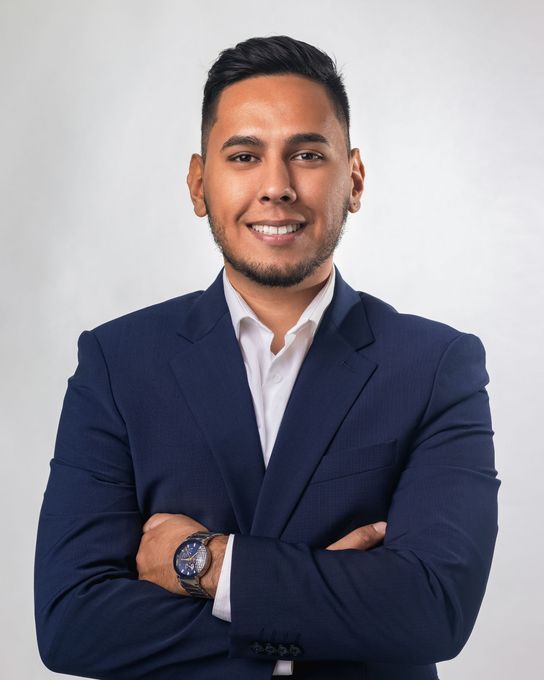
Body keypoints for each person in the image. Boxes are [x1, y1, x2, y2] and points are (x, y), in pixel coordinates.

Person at [34, 35, 500, 679]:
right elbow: (71, 622)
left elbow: (435, 609)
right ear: (200, 183)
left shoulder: (435, 365)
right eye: (245, 155)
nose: (276, 186)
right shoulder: (117, 363)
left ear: (355, 177)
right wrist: (329, 609)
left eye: (307, 154)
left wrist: (208, 565)